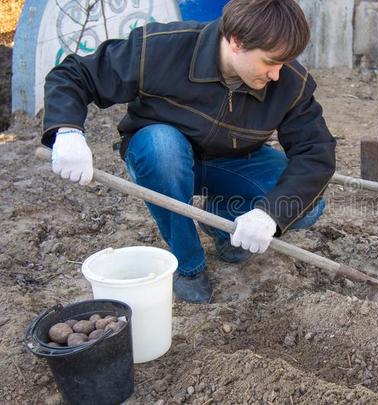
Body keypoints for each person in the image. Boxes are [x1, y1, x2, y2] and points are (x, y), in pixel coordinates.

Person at [41, 0, 336, 303]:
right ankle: (189, 265)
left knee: (305, 206)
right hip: (162, 159)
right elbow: (75, 74)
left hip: (232, 161)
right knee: (162, 146)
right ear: (237, 41)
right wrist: (68, 132)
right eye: (270, 62)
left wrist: (269, 213)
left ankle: (222, 223)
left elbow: (315, 153)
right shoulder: (162, 48)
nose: (276, 74)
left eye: (284, 64)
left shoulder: (289, 83)